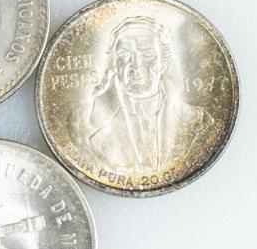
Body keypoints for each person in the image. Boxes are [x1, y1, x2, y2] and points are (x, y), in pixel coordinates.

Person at [87, 15, 206, 169]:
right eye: (124, 55)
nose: (135, 65)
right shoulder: (101, 139)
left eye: (147, 54)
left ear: (163, 65)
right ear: (114, 66)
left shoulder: (198, 121)